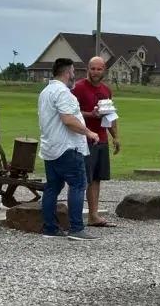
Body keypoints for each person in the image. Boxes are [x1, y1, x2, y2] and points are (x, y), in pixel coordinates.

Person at [38, 58, 100, 240]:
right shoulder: (64, 93)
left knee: (52, 187)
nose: (74, 75)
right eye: (73, 72)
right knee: (79, 185)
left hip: (50, 147)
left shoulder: (45, 92)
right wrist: (89, 132)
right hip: (67, 147)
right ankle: (76, 228)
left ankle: (50, 228)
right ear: (67, 72)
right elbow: (68, 119)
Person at [72, 56, 120, 227]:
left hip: (101, 138)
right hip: (84, 138)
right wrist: (90, 115)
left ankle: (94, 215)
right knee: (84, 178)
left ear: (104, 70)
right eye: (93, 68)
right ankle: (77, 217)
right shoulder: (77, 88)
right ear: (88, 69)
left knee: (97, 178)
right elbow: (70, 113)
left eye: (99, 69)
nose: (95, 72)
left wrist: (116, 136)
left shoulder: (106, 90)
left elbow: (111, 116)